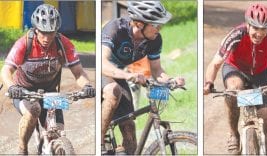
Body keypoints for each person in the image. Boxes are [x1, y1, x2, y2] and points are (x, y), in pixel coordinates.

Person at [1, 4, 95, 154]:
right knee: (34, 110)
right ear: (36, 29)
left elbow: (79, 73)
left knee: (57, 132)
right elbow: (6, 70)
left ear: (56, 31)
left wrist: (87, 86)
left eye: (51, 33)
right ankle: (22, 148)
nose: (46, 38)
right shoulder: (24, 44)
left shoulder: (64, 44)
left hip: (51, 92)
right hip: (24, 91)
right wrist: (12, 88)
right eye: (43, 32)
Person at [203, 3, 267, 155]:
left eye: (264, 29)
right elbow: (214, 64)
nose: (259, 33)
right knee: (233, 90)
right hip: (235, 69)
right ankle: (234, 134)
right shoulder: (236, 34)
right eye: (255, 28)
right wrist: (208, 83)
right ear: (247, 24)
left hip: (260, 73)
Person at [101, 1, 185, 154]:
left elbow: (157, 70)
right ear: (139, 24)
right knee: (113, 92)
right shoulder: (115, 29)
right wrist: (128, 75)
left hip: (120, 75)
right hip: (105, 72)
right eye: (156, 25)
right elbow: (102, 63)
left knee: (129, 130)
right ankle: (99, 144)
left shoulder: (154, 39)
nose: (160, 29)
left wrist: (171, 80)